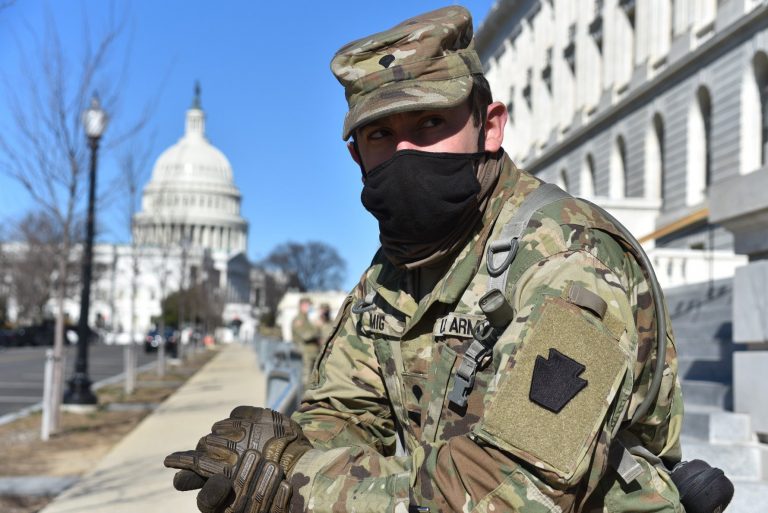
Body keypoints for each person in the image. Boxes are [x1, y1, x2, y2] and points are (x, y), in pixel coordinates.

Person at [165, 6, 731, 513]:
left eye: (431, 123)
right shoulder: (395, 272)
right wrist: (276, 462)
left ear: (489, 126)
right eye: (381, 134)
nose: (405, 152)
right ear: (356, 155)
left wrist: (297, 477)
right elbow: (341, 417)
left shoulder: (570, 259)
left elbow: (511, 494)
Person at [290, 297, 320, 387]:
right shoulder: (299, 320)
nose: (310, 307)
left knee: (312, 380)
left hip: (312, 354)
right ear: (302, 306)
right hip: (305, 354)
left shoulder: (307, 319)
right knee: (305, 382)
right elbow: (306, 336)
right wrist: (317, 327)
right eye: (308, 305)